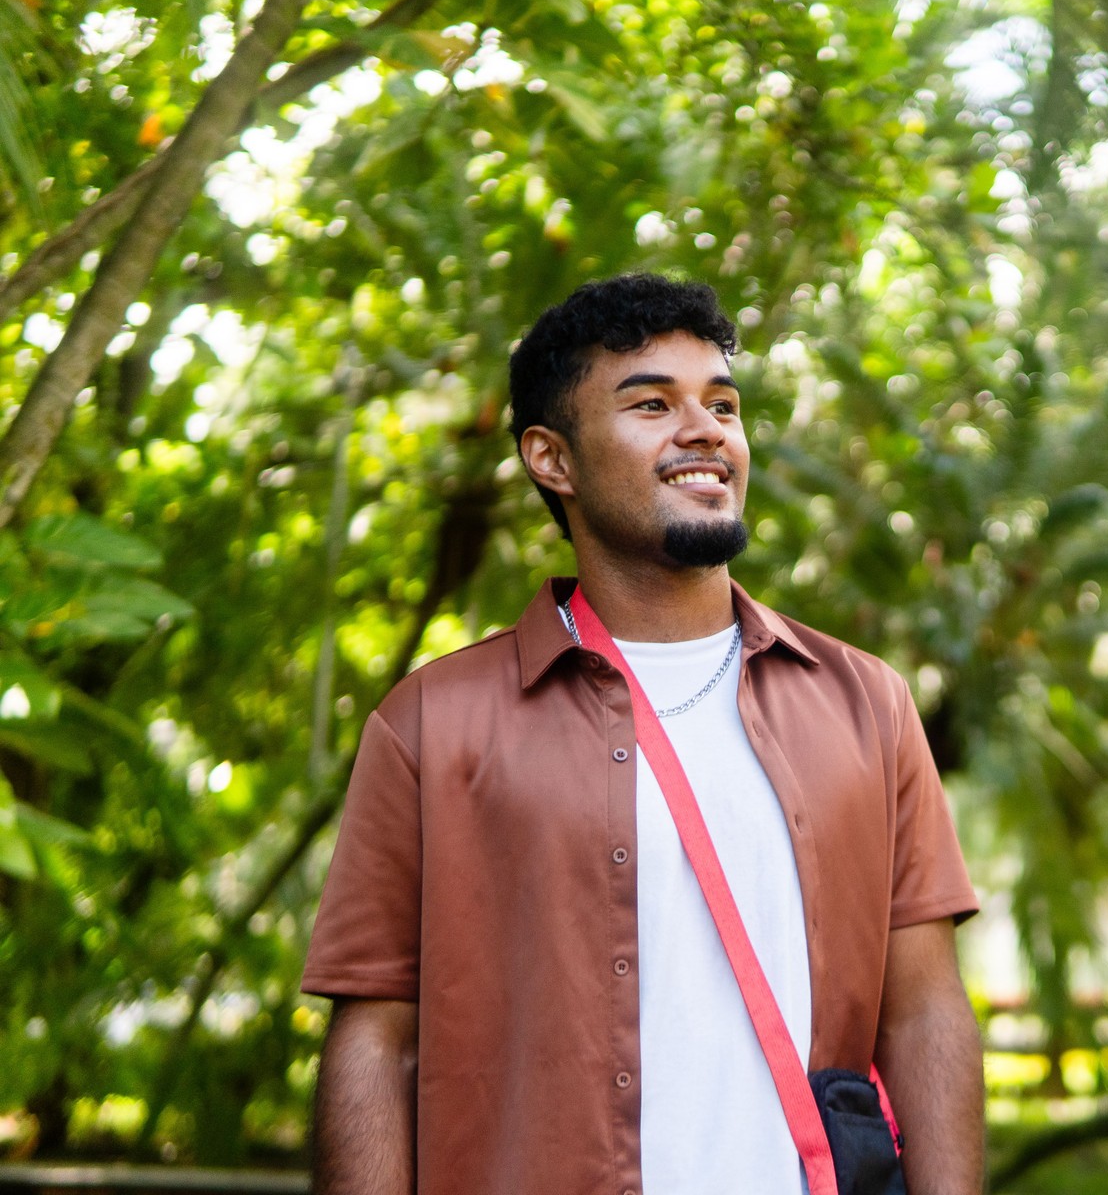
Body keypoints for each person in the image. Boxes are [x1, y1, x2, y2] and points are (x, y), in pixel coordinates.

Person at [302, 273, 984, 1195]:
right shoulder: (432, 726)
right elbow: (375, 1041)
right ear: (554, 460)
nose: (706, 429)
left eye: (723, 404)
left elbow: (925, 1014)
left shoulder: (867, 705)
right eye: (653, 403)